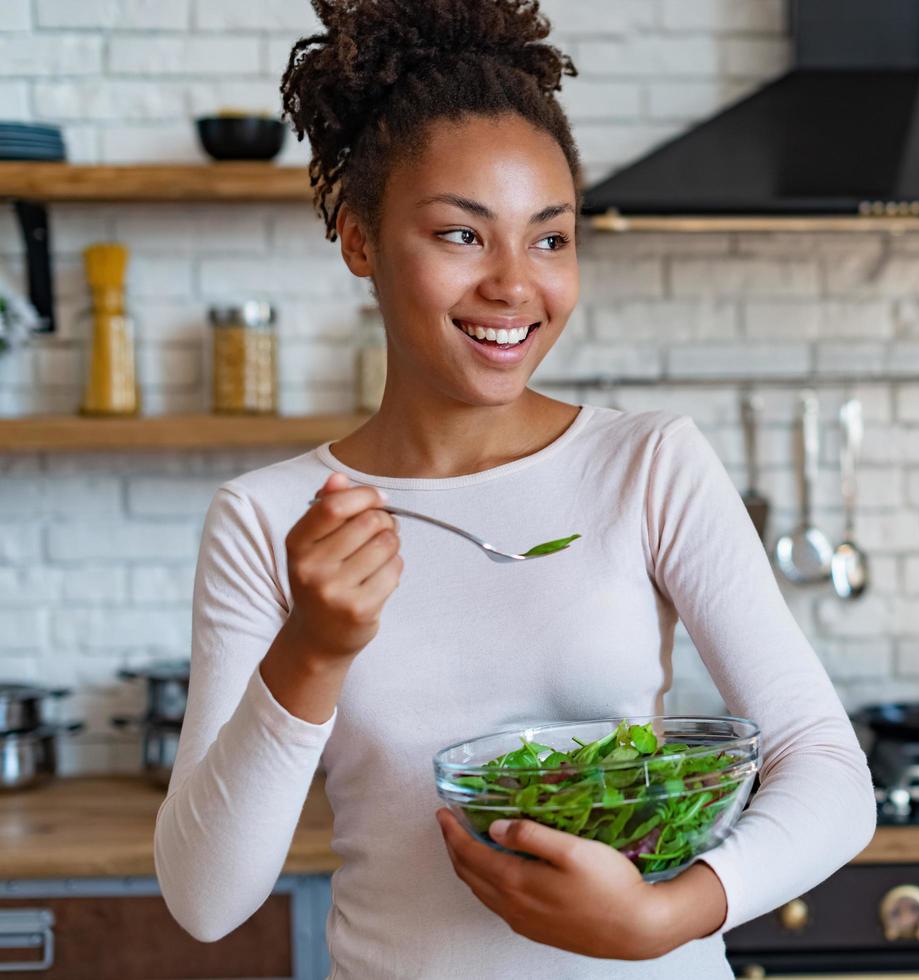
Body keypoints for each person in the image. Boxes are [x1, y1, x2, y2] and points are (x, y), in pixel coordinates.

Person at [153, 1, 875, 976]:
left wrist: (671, 915)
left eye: (549, 238)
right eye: (461, 235)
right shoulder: (270, 518)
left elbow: (828, 773)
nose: (513, 285)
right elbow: (205, 898)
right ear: (360, 239)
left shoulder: (647, 463)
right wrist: (312, 652)